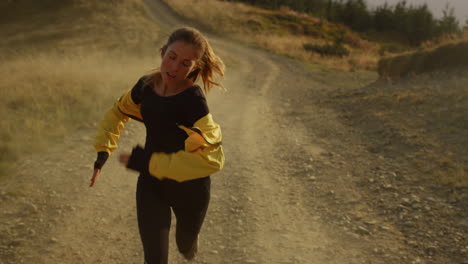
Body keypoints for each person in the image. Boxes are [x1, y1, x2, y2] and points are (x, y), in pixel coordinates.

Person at [90, 27, 225, 264]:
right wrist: (103, 151)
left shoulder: (193, 101)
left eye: (185, 63)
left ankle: (189, 242)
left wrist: (149, 162)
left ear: (194, 68)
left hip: (190, 189)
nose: (174, 67)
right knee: (154, 259)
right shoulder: (145, 86)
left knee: (185, 245)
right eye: (171, 57)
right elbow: (118, 111)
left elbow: (212, 158)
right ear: (162, 52)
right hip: (151, 183)